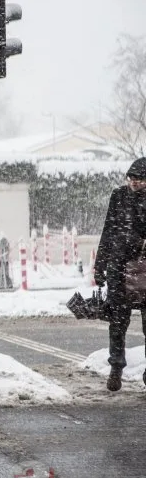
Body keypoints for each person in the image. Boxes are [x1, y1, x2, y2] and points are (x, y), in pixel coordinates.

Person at [93, 157, 146, 392]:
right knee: (117, 322)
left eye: (140, 179)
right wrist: (99, 265)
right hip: (118, 268)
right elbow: (108, 229)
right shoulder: (119, 196)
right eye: (131, 178)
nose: (134, 183)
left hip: (144, 268)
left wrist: (138, 241)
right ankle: (116, 369)